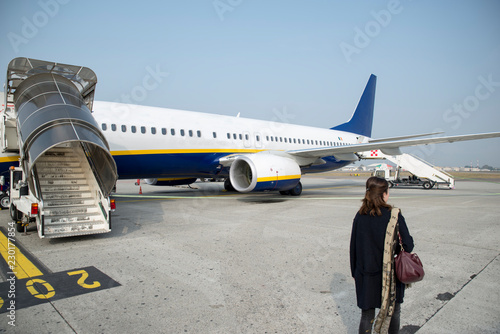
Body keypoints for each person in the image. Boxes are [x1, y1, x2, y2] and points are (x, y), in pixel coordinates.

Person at [350, 176, 414, 334]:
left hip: (366, 273)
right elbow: (408, 246)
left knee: (367, 315)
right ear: (384, 194)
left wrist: (355, 273)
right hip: (391, 275)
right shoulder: (393, 216)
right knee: (393, 312)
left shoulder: (360, 216)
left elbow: (353, 248)